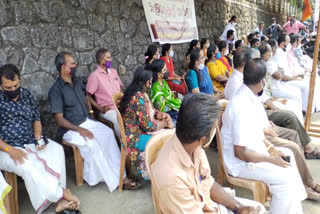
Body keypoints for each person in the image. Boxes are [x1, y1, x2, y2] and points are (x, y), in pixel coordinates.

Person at [152, 93, 266, 214]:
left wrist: (238, 207)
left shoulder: (191, 144)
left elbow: (207, 181)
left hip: (207, 205)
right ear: (203, 139)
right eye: (216, 127)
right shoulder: (172, 180)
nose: (218, 127)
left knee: (258, 208)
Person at [222, 59, 307, 213]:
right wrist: (270, 158)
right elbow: (240, 153)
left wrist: (271, 148)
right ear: (262, 82)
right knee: (285, 177)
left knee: (288, 155)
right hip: (240, 163)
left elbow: (257, 133)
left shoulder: (251, 96)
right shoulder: (241, 105)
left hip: (254, 152)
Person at [49, 52, 138, 191]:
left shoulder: (77, 81)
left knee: (108, 134)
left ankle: (122, 173)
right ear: (63, 67)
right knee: (92, 144)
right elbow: (59, 120)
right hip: (71, 129)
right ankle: (117, 181)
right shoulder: (56, 90)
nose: (75, 66)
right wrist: (80, 130)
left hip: (87, 121)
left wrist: (91, 114)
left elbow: (86, 98)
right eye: (72, 63)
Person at [0, 64, 80, 213]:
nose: (13, 90)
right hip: (5, 148)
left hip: (29, 142)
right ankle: (60, 195)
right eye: (8, 88)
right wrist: (9, 149)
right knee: (28, 165)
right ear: (0, 86)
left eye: (16, 85)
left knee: (56, 150)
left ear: (20, 80)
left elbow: (36, 119)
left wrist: (38, 138)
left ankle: (59, 197)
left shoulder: (26, 95)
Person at [227, 45, 320, 160]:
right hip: (256, 127)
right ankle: (306, 150)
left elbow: (257, 101)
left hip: (260, 117)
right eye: (251, 59)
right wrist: (264, 125)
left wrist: (271, 109)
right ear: (246, 63)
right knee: (290, 117)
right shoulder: (238, 85)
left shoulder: (243, 80)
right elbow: (246, 119)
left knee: (291, 112)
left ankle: (305, 150)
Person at [119, 67, 174, 181]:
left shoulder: (140, 94)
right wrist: (164, 124)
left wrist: (161, 115)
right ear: (145, 82)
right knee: (167, 141)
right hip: (134, 137)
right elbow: (149, 126)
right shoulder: (138, 98)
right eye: (150, 81)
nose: (150, 84)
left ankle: (164, 174)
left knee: (169, 136)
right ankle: (160, 177)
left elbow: (152, 111)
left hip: (140, 132)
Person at [259, 42, 304, 124]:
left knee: (295, 102)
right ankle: (298, 126)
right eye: (270, 51)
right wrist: (274, 101)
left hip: (270, 94)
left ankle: (300, 126)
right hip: (272, 93)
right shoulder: (263, 65)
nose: (272, 52)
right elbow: (278, 76)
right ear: (266, 54)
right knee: (294, 105)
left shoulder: (268, 62)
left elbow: (281, 72)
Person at [275, 34, 320, 112]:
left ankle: (311, 107)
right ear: (283, 44)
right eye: (288, 42)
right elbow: (283, 74)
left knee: (311, 80)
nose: (290, 44)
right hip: (285, 80)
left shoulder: (283, 52)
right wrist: (295, 77)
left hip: (290, 77)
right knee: (306, 85)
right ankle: (305, 109)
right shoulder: (278, 54)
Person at [86, 48, 122, 138]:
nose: (111, 60)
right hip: (108, 109)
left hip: (120, 105)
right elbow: (87, 96)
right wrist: (100, 108)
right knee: (118, 120)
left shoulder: (113, 72)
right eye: (108, 58)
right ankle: (125, 145)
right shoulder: (95, 76)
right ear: (101, 60)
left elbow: (120, 89)